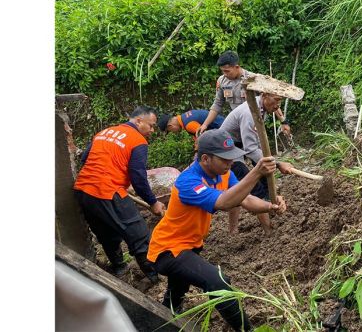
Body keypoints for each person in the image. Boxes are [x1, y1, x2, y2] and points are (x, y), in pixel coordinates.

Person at [147, 129, 286, 331]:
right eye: (225, 159)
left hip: (190, 244)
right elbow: (224, 202)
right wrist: (256, 172)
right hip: (168, 249)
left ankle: (163, 319)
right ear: (205, 158)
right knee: (218, 282)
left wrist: (269, 206)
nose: (230, 163)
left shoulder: (224, 173)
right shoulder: (188, 182)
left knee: (177, 291)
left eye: (231, 158)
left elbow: (245, 199)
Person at [73, 106, 166, 282]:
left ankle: (120, 267)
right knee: (139, 235)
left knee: (106, 233)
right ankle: (156, 279)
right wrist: (153, 202)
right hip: (107, 191)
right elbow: (138, 177)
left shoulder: (104, 132)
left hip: (83, 191)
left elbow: (85, 160)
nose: (152, 130)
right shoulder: (138, 140)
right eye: (151, 125)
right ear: (138, 121)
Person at [220, 92, 296, 235]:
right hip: (227, 152)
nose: (278, 105)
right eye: (276, 100)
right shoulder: (250, 113)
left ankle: (271, 212)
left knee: (265, 177)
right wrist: (278, 164)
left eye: (280, 101)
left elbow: (255, 143)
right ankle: (268, 231)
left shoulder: (261, 108)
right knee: (253, 186)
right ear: (265, 95)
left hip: (241, 146)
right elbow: (250, 149)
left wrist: (271, 165)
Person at [196, 51, 291, 138]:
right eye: (222, 71)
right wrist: (205, 124)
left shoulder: (254, 80)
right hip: (237, 124)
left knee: (255, 150)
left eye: (227, 71)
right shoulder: (222, 81)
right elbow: (217, 104)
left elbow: (272, 101)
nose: (224, 74)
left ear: (236, 67)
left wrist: (283, 122)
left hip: (254, 124)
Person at [157, 109, 224, 136]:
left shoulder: (188, 125)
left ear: (170, 126)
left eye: (170, 131)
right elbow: (197, 135)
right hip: (222, 124)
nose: (174, 132)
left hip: (224, 129)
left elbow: (203, 136)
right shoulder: (185, 117)